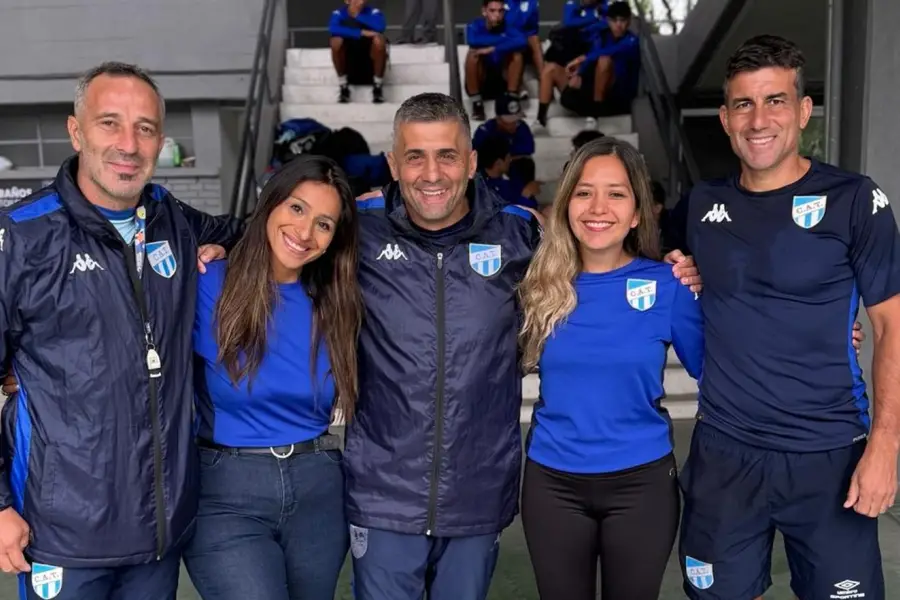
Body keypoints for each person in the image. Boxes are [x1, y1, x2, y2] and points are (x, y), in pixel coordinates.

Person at [342, 92, 701, 600]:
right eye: (415, 156)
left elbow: (602, 259)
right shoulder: (355, 230)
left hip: (478, 488)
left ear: (470, 162)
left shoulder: (519, 234)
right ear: (392, 164)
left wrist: (687, 272)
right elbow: (274, 240)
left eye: (447, 155)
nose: (431, 172)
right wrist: (215, 243)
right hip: (385, 490)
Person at [0, 61, 241, 600]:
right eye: (110, 123)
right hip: (60, 535)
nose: (128, 144)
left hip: (158, 535)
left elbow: (262, 234)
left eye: (146, 127)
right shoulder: (21, 238)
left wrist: (367, 212)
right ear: (76, 129)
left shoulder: (170, 219)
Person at [678, 35, 900, 600]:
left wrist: (884, 449)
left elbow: (890, 326)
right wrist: (685, 268)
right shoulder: (701, 204)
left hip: (829, 454)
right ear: (725, 118)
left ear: (803, 110)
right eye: (744, 104)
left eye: (775, 100)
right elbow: (629, 251)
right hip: (725, 454)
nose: (759, 120)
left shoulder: (855, 200)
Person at [518, 136, 703, 599]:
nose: (598, 206)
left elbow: (725, 371)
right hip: (552, 484)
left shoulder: (668, 285)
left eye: (616, 193)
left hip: (641, 484)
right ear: (565, 205)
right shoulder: (535, 286)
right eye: (584, 192)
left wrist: (823, 338)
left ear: (639, 212)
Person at [182, 156, 364, 600]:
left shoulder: (336, 302)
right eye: (297, 209)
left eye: (324, 223)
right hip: (225, 491)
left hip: (319, 486)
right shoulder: (207, 281)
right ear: (271, 202)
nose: (304, 233)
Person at [539, 1, 639, 129]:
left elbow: (610, 51)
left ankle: (595, 114)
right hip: (592, 89)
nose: (618, 25)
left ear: (629, 21)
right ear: (608, 21)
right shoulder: (602, 35)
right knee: (551, 68)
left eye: (622, 20)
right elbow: (575, 28)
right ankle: (540, 120)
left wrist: (583, 59)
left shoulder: (632, 40)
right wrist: (579, 73)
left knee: (604, 60)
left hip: (615, 96)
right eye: (614, 20)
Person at [464, 0, 527, 121]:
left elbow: (522, 41)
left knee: (517, 54)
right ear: (484, 11)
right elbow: (473, 40)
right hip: (483, 81)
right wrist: (505, 40)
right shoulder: (475, 25)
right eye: (492, 11)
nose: (497, 15)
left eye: (500, 11)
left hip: (503, 81)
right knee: (473, 54)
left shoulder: (509, 26)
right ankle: (477, 105)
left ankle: (512, 100)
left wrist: (494, 49)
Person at [328, 0, 388, 104]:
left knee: (379, 39)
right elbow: (333, 28)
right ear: (347, 1)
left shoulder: (373, 12)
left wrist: (357, 15)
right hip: (349, 61)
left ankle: (377, 87)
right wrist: (360, 32)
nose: (359, 1)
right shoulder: (338, 13)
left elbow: (380, 27)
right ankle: (343, 86)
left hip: (370, 61)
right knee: (335, 41)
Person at [472, 95, 535, 160]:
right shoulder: (485, 131)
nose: (514, 125)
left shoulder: (521, 127)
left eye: (516, 120)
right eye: (510, 122)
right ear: (498, 119)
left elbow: (527, 154)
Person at [504, 0, 542, 90]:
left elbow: (532, 25)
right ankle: (518, 87)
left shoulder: (532, 2)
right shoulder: (502, 2)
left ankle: (544, 79)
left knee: (535, 40)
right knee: (514, 45)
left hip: (526, 36)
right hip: (508, 36)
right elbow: (508, 24)